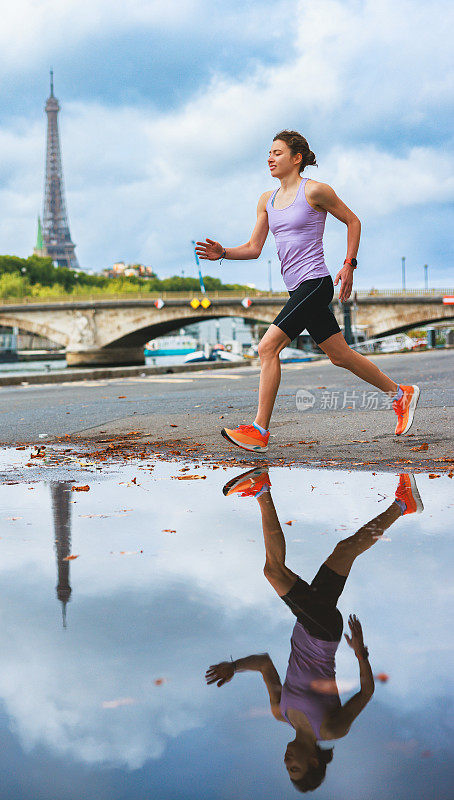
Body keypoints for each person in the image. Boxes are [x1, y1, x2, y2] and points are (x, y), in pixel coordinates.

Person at [195, 130, 419, 453]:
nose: (270, 158)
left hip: (315, 284)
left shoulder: (314, 191)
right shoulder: (267, 201)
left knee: (267, 347)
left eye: (277, 153)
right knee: (340, 355)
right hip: (296, 289)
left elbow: (353, 221)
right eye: (269, 153)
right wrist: (224, 253)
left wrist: (349, 265)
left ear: (296, 158)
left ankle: (259, 430)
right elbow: (254, 247)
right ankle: (400, 395)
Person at [206, 468, 423, 792]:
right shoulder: (332, 730)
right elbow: (366, 693)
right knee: (274, 572)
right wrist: (360, 652)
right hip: (323, 633)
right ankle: (262, 490)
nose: (287, 762)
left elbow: (265, 663)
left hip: (310, 623)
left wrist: (235, 666)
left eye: (286, 768)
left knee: (344, 550)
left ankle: (402, 505)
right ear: (313, 763)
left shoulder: (282, 713)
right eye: (294, 767)